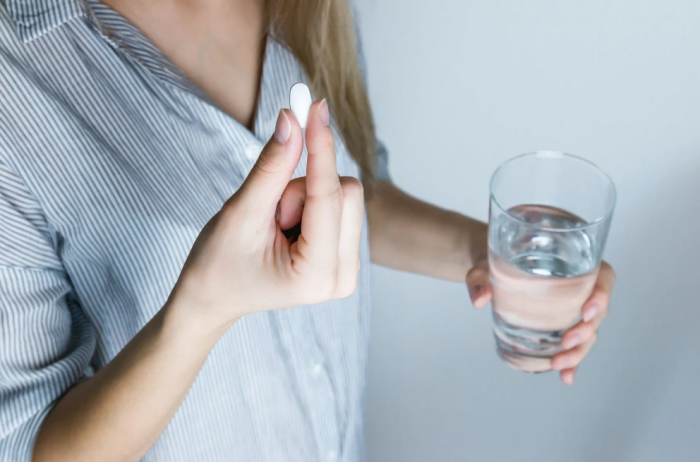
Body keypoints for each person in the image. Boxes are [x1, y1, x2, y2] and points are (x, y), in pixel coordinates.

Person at [0, 0, 616, 461]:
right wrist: (200, 311)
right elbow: (33, 444)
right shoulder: (17, 74)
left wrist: (487, 255)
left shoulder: (309, 8)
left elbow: (351, 191)